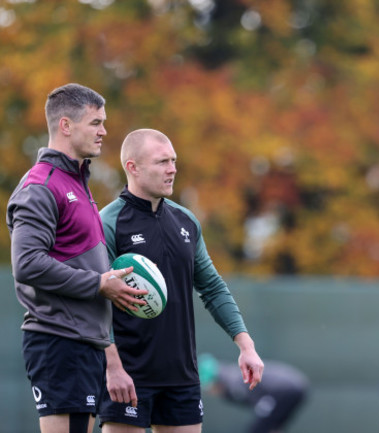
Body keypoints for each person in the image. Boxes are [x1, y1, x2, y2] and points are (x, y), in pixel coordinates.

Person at [98, 128, 265, 432]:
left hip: (182, 377)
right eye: (162, 162)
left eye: (173, 161)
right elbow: (95, 302)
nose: (173, 169)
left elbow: (212, 288)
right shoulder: (108, 222)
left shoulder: (186, 221)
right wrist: (113, 367)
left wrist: (246, 344)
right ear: (133, 167)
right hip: (128, 375)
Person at [6, 83, 148, 433]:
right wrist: (99, 283)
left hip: (83, 343)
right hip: (58, 341)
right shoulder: (41, 185)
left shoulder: (77, 183)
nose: (104, 131)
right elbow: (26, 263)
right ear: (66, 126)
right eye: (95, 122)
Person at [199, 353, 309, 433]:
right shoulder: (232, 379)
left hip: (284, 390)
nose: (209, 392)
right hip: (294, 387)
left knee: (260, 428)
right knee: (271, 426)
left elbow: (259, 403)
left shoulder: (234, 383)